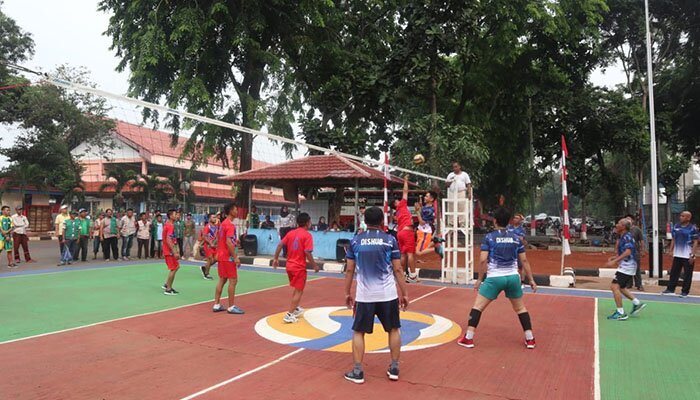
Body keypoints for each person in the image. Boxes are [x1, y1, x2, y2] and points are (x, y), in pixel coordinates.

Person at [343, 206, 409, 384]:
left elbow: (349, 270)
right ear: (382, 221)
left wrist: (347, 292)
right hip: (388, 294)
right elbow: (398, 269)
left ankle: (358, 372)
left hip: (365, 296)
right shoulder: (390, 240)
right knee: (394, 329)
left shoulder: (355, 241)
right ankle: (394, 367)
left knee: (358, 332)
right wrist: (405, 293)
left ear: (365, 220)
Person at [457, 207, 538, 349]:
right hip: (513, 277)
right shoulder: (516, 238)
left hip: (494, 278)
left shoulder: (489, 237)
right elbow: (524, 261)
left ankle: (468, 338)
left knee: (478, 307)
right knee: (520, 308)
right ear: (509, 221)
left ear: (494, 220)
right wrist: (531, 279)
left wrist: (480, 279)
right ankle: (530, 338)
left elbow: (483, 260)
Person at [272, 212, 319, 323]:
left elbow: (280, 245)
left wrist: (275, 258)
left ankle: (295, 308)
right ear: (307, 222)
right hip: (299, 267)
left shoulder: (291, 233)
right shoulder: (307, 235)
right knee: (299, 291)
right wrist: (314, 265)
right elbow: (307, 252)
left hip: (289, 266)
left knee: (297, 289)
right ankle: (289, 314)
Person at [605, 218, 647, 320]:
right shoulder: (624, 236)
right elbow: (626, 251)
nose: (616, 224)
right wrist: (615, 257)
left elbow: (628, 252)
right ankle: (636, 303)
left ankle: (621, 313)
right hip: (627, 265)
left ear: (623, 226)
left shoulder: (627, 237)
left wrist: (614, 261)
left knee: (614, 286)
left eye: (619, 223)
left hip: (627, 266)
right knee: (622, 287)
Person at [212, 202, 245, 314]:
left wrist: (235, 240)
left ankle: (216, 304)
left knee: (222, 279)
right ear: (231, 211)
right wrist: (235, 257)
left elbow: (226, 240)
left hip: (221, 256)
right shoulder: (230, 225)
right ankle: (231, 306)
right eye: (235, 209)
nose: (237, 211)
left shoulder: (223, 224)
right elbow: (228, 243)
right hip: (228, 257)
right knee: (233, 280)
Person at [662, 211, 698, 298]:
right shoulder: (676, 226)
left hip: (687, 255)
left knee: (687, 274)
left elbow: (696, 242)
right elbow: (673, 239)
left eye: (683, 216)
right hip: (677, 255)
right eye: (680, 216)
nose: (680, 217)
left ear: (688, 218)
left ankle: (685, 292)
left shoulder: (692, 228)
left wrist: (692, 255)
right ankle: (670, 289)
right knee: (674, 273)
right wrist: (670, 250)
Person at [393, 175, 418, 283]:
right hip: (407, 232)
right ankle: (412, 276)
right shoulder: (401, 205)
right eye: (397, 201)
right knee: (410, 254)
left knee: (403, 254)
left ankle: (402, 275)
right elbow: (405, 191)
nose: (399, 200)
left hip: (400, 232)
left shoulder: (397, 213)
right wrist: (406, 181)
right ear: (396, 204)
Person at [414, 191, 444, 259]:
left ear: (431, 199)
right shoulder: (427, 208)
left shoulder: (430, 210)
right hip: (423, 231)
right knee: (424, 249)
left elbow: (422, 222)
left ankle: (437, 248)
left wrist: (417, 211)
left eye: (427, 196)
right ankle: (436, 242)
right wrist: (420, 208)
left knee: (418, 252)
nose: (425, 197)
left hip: (424, 232)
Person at [445, 161, 472, 227]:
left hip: (461, 192)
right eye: (453, 167)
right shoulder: (450, 174)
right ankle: (451, 223)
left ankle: (462, 222)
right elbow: (446, 184)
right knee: (451, 207)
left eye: (456, 167)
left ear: (459, 167)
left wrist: (469, 193)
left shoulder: (464, 174)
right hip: (452, 192)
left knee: (461, 207)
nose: (455, 168)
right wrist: (451, 181)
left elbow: (468, 184)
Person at [162, 209, 181, 295]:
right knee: (174, 268)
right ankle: (168, 289)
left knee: (176, 267)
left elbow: (172, 239)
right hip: (169, 251)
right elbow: (168, 240)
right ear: (170, 216)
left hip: (169, 250)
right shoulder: (170, 226)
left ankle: (167, 284)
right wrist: (174, 252)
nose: (177, 215)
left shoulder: (168, 225)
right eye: (175, 214)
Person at [625, 214, 646, 290]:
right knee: (627, 268)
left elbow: (642, 240)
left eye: (629, 219)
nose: (627, 220)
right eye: (626, 219)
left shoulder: (637, 229)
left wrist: (642, 250)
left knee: (636, 268)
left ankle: (639, 284)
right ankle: (628, 284)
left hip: (635, 252)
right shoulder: (623, 229)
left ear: (632, 221)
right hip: (626, 252)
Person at [507, 213, 528, 283]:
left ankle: (522, 280)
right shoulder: (509, 228)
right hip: (509, 249)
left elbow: (521, 239)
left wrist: (512, 237)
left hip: (518, 249)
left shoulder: (521, 229)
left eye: (517, 218)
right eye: (514, 218)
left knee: (521, 265)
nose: (515, 219)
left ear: (520, 220)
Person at [200, 213, 218, 280]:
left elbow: (217, 236)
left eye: (215, 217)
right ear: (209, 218)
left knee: (216, 259)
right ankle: (206, 274)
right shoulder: (207, 227)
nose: (215, 218)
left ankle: (204, 267)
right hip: (208, 246)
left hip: (214, 246)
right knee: (210, 259)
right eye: (213, 217)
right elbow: (204, 236)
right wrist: (210, 243)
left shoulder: (216, 227)